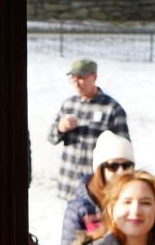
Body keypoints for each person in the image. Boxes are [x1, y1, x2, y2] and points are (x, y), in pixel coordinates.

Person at [46, 58, 130, 204]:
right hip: (70, 186)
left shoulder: (112, 108)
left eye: (81, 78)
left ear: (94, 77)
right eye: (73, 79)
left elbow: (124, 152)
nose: (76, 83)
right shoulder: (69, 104)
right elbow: (51, 137)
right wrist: (61, 128)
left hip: (98, 189)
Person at [58, 131, 135, 245]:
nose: (121, 171)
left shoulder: (138, 202)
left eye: (126, 165)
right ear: (100, 169)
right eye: (113, 166)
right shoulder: (79, 208)